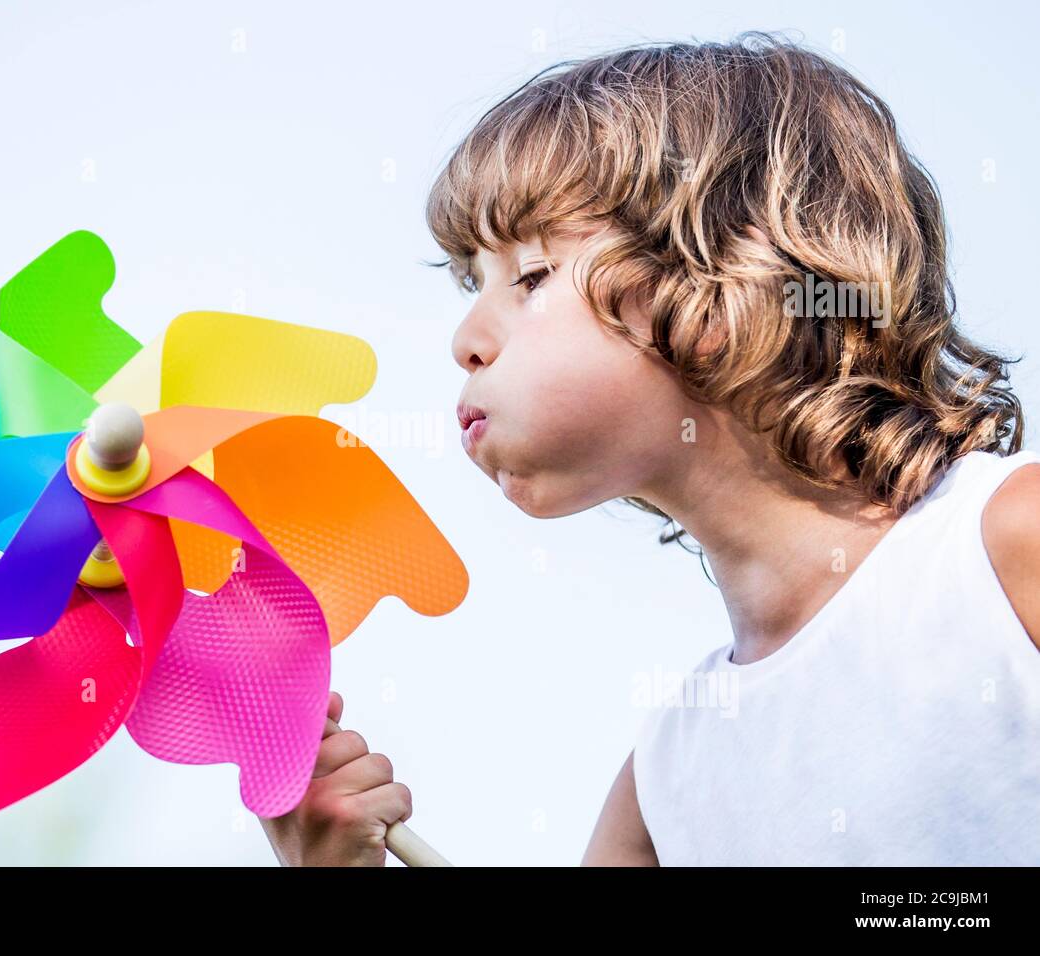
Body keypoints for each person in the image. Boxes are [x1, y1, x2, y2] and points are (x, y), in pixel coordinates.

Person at [258, 32, 1040, 866]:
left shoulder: (1004, 551)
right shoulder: (665, 783)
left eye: (529, 278)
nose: (466, 340)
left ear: (725, 287)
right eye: (469, 285)